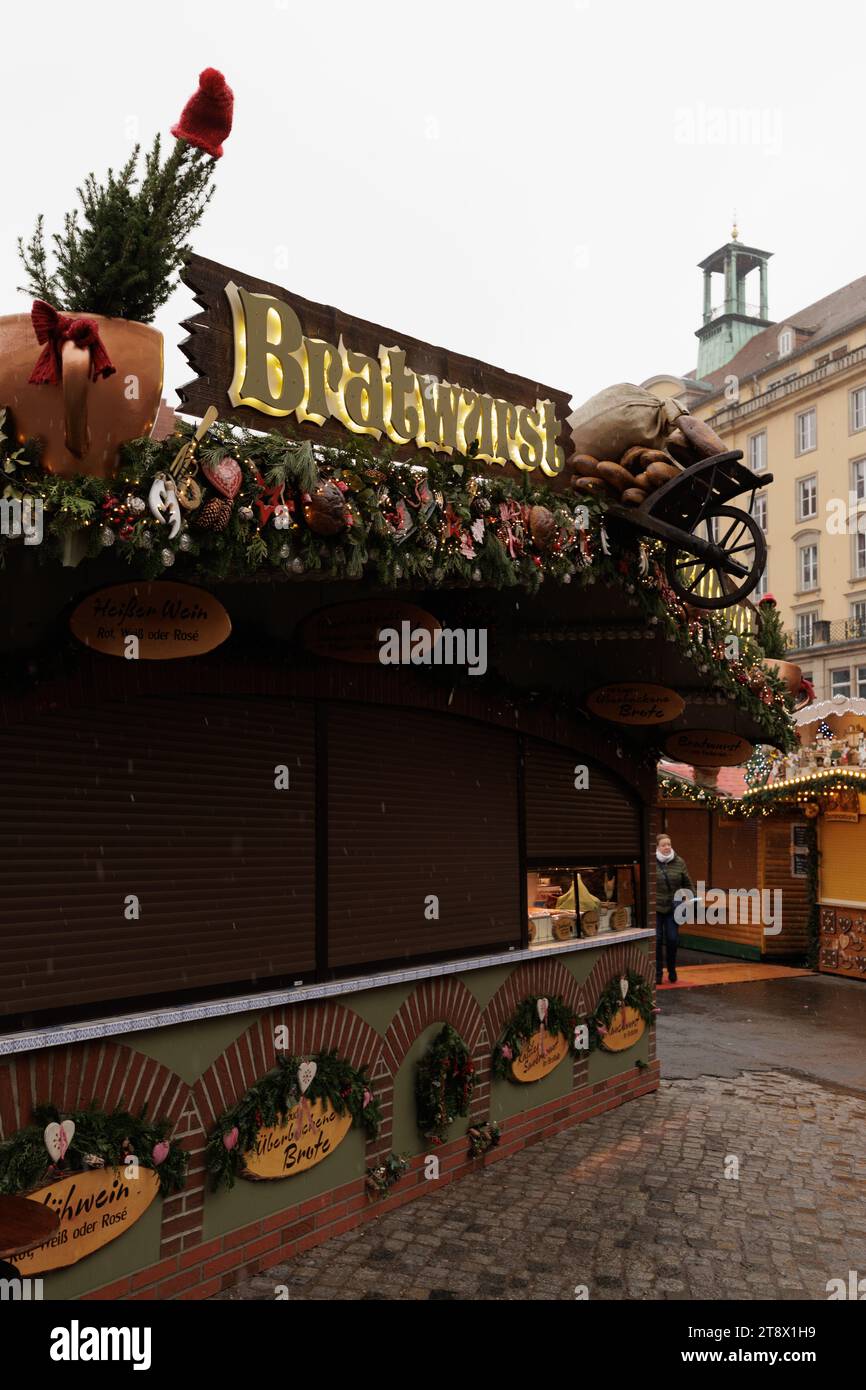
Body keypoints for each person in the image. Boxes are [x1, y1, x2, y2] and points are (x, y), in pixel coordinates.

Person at [655, 833, 693, 985]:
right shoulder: (652, 862)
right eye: (663, 845)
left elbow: (688, 883)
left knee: (672, 939)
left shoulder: (679, 862)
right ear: (657, 847)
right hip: (656, 908)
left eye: (669, 844)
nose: (667, 847)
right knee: (656, 941)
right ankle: (657, 973)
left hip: (673, 908)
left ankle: (671, 969)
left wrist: (690, 897)